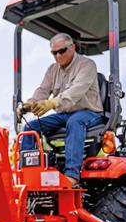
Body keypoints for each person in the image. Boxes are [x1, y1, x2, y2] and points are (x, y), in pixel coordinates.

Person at [17, 33, 103, 186]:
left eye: (61, 51)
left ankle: (71, 175)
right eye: (54, 53)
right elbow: (43, 90)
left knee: (75, 121)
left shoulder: (87, 65)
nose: (58, 55)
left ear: (72, 47)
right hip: (64, 114)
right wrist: (29, 104)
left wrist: (50, 104)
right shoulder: (53, 70)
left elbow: (75, 91)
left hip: (89, 112)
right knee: (30, 127)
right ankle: (27, 172)